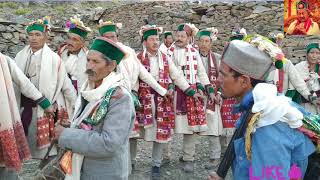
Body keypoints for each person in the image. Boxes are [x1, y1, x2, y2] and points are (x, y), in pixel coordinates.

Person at [208, 35, 315, 180]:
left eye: (223, 74)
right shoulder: (257, 108)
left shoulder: (267, 125)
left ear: (244, 81)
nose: (217, 80)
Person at [55, 37, 135, 180]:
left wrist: (65, 135)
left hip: (104, 172)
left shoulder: (120, 97)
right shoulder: (89, 88)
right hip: (83, 168)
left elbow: (108, 143)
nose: (89, 66)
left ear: (111, 66)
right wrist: (73, 126)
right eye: (88, 60)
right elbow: (90, 124)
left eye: (96, 62)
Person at [97, 20, 173, 169]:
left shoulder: (128, 52)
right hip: (106, 99)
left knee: (131, 132)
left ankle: (132, 164)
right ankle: (121, 165)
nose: (111, 40)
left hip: (128, 98)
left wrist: (162, 91)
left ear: (117, 36)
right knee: (112, 134)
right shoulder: (98, 54)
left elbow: (143, 74)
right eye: (107, 37)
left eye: (113, 36)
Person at [136, 25, 201, 178]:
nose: (155, 42)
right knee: (135, 133)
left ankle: (156, 164)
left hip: (162, 101)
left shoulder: (165, 58)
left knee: (160, 131)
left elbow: (177, 76)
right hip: (143, 100)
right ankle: (130, 162)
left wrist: (190, 91)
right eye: (151, 39)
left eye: (157, 39)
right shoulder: (138, 58)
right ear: (144, 42)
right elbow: (137, 78)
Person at [14, 16, 77, 159]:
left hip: (44, 109)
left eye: (38, 34)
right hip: (23, 107)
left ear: (46, 37)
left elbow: (66, 85)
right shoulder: (19, 56)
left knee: (43, 152)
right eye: (30, 35)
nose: (33, 38)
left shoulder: (54, 59)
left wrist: (76, 108)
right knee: (24, 149)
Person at [167, 23, 217, 172]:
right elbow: (171, 74)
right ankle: (164, 156)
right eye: (178, 35)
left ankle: (188, 158)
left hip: (192, 93)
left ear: (189, 38)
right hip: (173, 92)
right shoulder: (168, 52)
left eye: (183, 36)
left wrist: (207, 89)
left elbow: (200, 72)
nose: (179, 38)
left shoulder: (193, 52)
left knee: (191, 129)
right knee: (167, 126)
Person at [0, 52, 54, 179]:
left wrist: (43, 101)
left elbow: (23, 82)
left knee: (6, 164)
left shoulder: (4, 60)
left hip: (3, 118)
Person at [196, 27, 224, 169]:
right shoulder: (192, 56)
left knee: (213, 127)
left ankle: (215, 156)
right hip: (196, 95)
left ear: (211, 43)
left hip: (212, 97)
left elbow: (222, 78)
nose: (204, 44)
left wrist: (219, 94)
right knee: (192, 126)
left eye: (207, 41)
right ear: (198, 42)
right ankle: (188, 156)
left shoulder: (217, 58)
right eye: (202, 41)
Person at [58, 15, 92, 92]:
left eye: (75, 40)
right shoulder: (61, 54)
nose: (69, 42)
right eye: (69, 38)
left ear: (82, 43)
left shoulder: (89, 58)